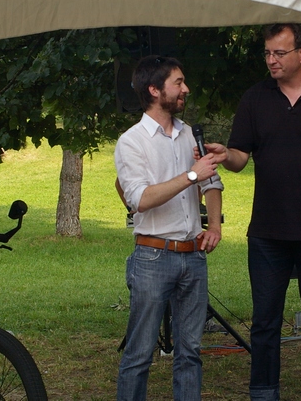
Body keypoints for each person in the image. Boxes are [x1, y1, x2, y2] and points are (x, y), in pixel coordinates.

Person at [205, 23, 301, 401]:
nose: (271, 60)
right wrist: (226, 156)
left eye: (279, 53)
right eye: (267, 53)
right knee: (265, 323)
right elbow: (240, 158)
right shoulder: (255, 98)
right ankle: (263, 391)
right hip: (268, 232)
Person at [114, 55, 224, 401]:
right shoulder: (131, 141)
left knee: (190, 352)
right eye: (178, 82)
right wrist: (192, 174)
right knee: (139, 354)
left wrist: (216, 226)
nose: (185, 89)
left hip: (193, 256)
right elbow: (140, 199)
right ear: (153, 90)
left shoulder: (188, 132)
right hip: (152, 256)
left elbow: (213, 183)